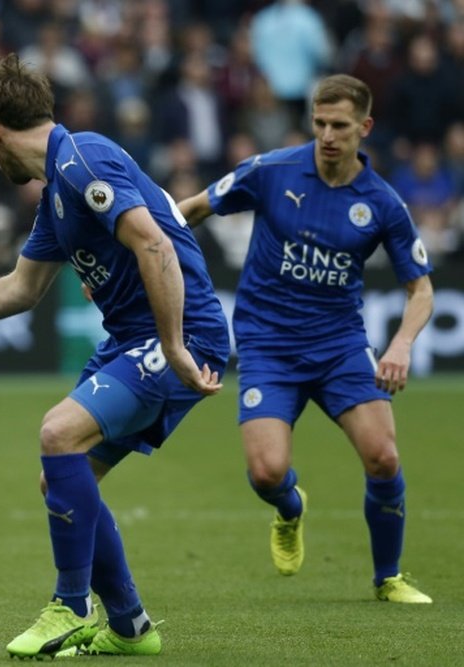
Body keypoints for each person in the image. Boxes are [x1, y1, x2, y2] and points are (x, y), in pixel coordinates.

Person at [0, 54, 229, 658]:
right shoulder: (56, 196)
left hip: (179, 337)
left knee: (58, 432)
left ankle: (69, 607)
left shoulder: (82, 158)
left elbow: (152, 241)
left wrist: (173, 344)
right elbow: (21, 289)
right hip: (132, 342)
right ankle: (128, 626)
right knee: (63, 481)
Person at [177, 74, 434, 603]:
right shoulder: (272, 171)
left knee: (384, 458)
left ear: (365, 127)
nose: (327, 135)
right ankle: (290, 509)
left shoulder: (382, 204)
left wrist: (402, 344)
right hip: (268, 346)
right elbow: (193, 209)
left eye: (339, 125)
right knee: (266, 472)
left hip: (340, 346)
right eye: (319, 124)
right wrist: (133, 251)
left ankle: (388, 577)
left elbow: (422, 289)